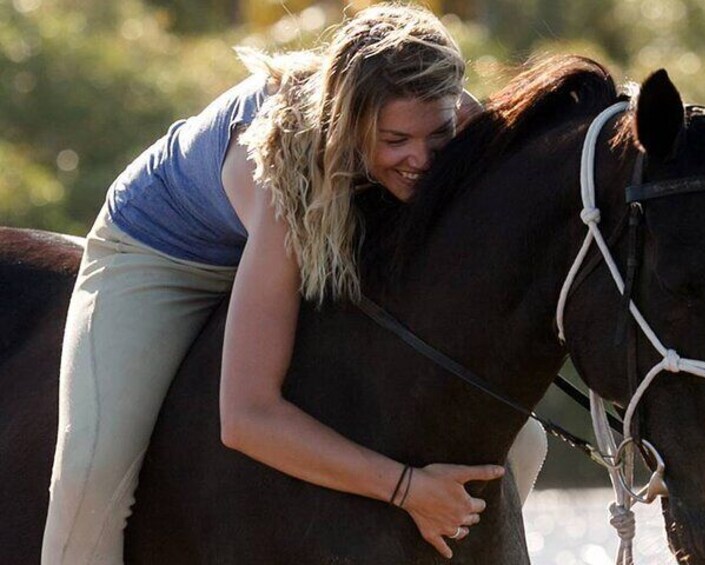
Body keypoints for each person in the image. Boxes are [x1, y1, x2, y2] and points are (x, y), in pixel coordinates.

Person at [42, 4, 546, 564]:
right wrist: (405, 487)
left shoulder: (456, 127)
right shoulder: (286, 178)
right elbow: (247, 418)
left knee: (526, 442)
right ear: (349, 123)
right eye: (395, 139)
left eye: (438, 135)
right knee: (93, 469)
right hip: (162, 252)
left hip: (312, 250)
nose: (421, 160)